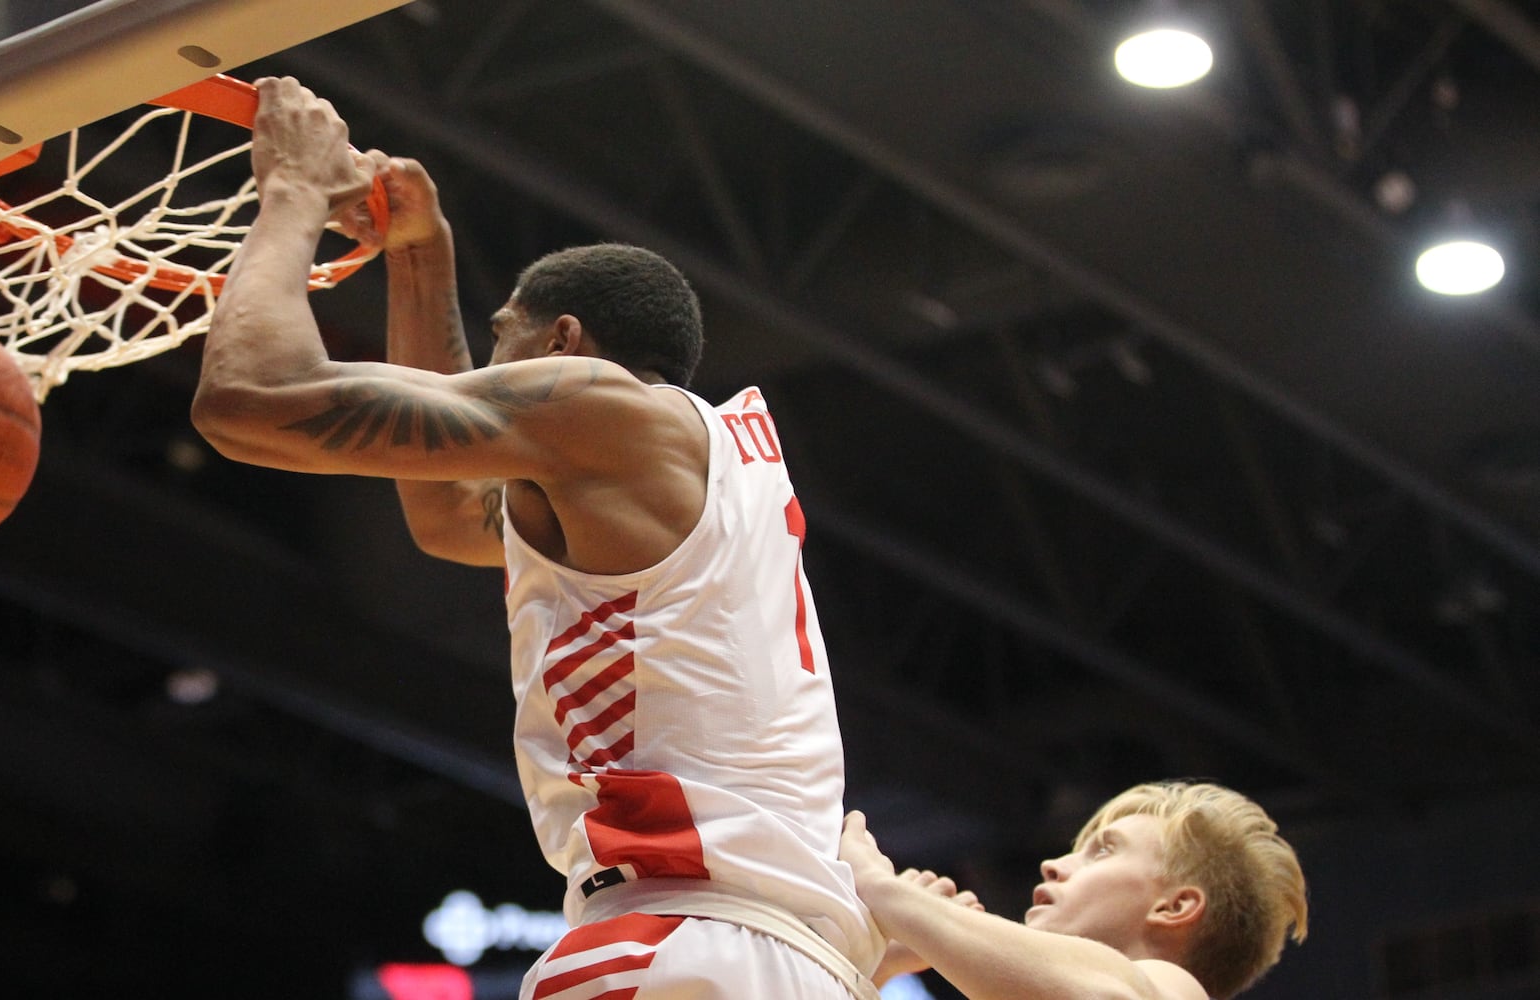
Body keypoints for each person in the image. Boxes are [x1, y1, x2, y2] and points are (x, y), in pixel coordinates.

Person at [191, 77, 885, 999]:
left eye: (501, 343)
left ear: (562, 342)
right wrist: (419, 256)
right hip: (791, 955)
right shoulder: (704, 475)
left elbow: (248, 402)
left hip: (684, 940)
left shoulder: (596, 407)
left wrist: (295, 189)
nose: (486, 383)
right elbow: (447, 517)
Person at [840, 781, 1308, 1000]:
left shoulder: (1174, 988)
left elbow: (1113, 995)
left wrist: (884, 891)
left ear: (1175, 906)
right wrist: (871, 968)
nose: (1052, 865)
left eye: (1103, 851)